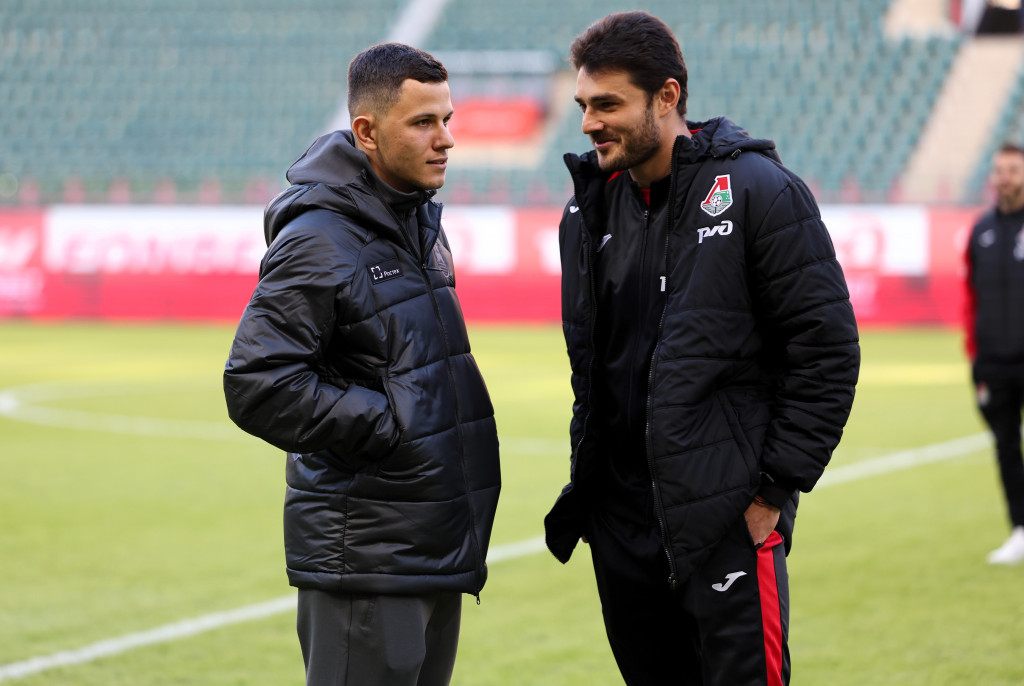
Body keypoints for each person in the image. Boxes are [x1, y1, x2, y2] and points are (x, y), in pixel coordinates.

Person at [543, 12, 860, 686]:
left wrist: (772, 491)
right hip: (620, 525)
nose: (589, 123)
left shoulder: (758, 191)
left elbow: (826, 348)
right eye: (583, 106)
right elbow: (591, 369)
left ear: (667, 97)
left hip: (726, 519)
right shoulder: (586, 210)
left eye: (607, 105)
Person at [223, 43, 500, 686]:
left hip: (429, 545)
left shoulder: (418, 221)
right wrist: (389, 427)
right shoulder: (320, 238)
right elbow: (258, 381)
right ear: (367, 133)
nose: (445, 139)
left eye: (447, 119)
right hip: (368, 556)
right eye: (423, 122)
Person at [965, 142, 1024, 565]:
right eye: (999, 170)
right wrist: (974, 354)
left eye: (1013, 170)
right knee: (1005, 447)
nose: (1004, 178)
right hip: (994, 364)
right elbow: (970, 298)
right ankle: (1020, 529)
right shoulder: (981, 231)